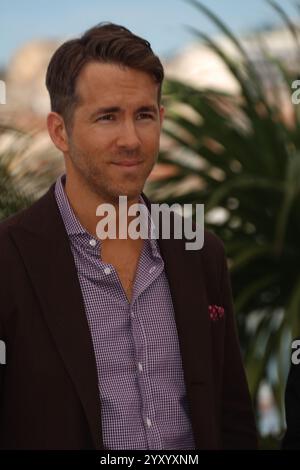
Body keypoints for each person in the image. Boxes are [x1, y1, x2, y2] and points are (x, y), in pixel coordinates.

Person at [0, 22, 257, 450]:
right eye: (107, 117)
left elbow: (232, 417)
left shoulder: (200, 251)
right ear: (59, 131)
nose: (131, 139)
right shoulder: (9, 259)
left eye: (144, 115)